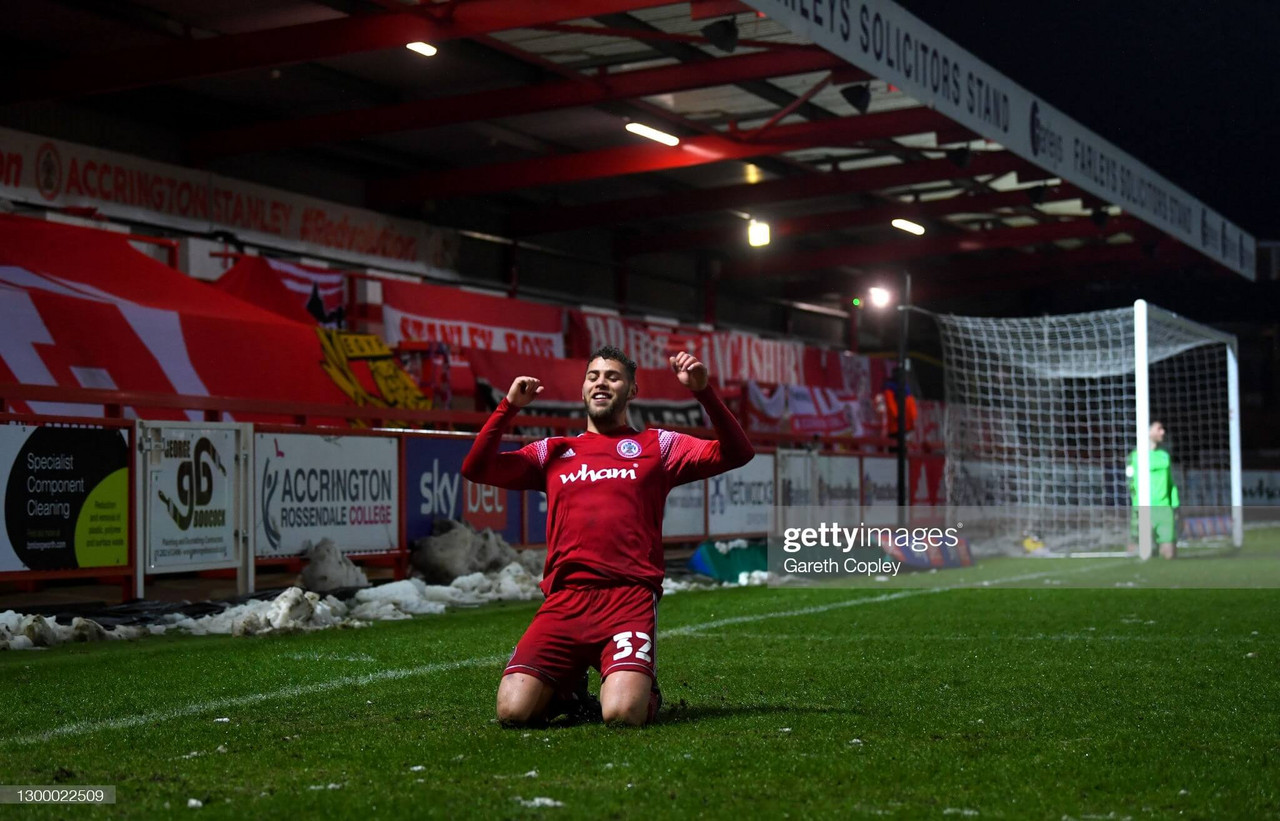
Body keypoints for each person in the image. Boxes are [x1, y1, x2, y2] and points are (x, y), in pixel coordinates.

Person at [461, 346, 753, 727]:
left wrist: (703, 392)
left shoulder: (659, 446)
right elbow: (476, 468)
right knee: (513, 712)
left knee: (620, 714)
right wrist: (508, 407)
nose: (601, 382)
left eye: (612, 376)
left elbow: (738, 452)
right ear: (583, 389)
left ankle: (645, 690)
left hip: (627, 599)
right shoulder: (555, 451)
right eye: (593, 376)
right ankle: (569, 690)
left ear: (631, 390)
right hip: (564, 601)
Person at [1126, 420, 1179, 559]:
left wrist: (1175, 505)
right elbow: (1130, 483)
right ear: (1148, 431)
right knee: (1140, 552)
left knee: (1169, 553)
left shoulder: (1164, 455)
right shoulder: (1135, 456)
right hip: (1143, 509)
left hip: (1164, 508)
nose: (1163, 432)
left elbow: (1170, 482)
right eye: (1159, 429)